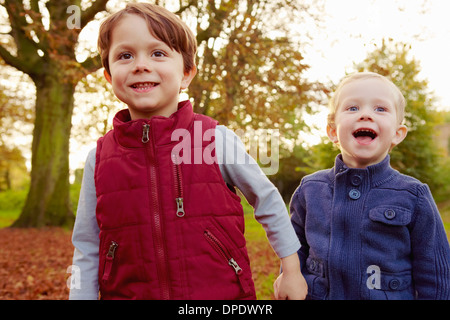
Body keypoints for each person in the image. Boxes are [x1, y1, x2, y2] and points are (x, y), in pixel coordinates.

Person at [69, 3, 307, 300]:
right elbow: (87, 246)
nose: (140, 64)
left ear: (186, 74)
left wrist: (292, 269)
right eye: (125, 55)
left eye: (158, 53)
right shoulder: (99, 157)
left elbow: (268, 200)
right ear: (108, 75)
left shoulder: (215, 140)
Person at [288, 71, 450, 299]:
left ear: (397, 133)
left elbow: (435, 273)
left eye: (380, 109)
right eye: (352, 108)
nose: (365, 115)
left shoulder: (413, 195)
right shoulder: (310, 189)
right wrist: (288, 275)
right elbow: (294, 247)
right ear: (333, 131)